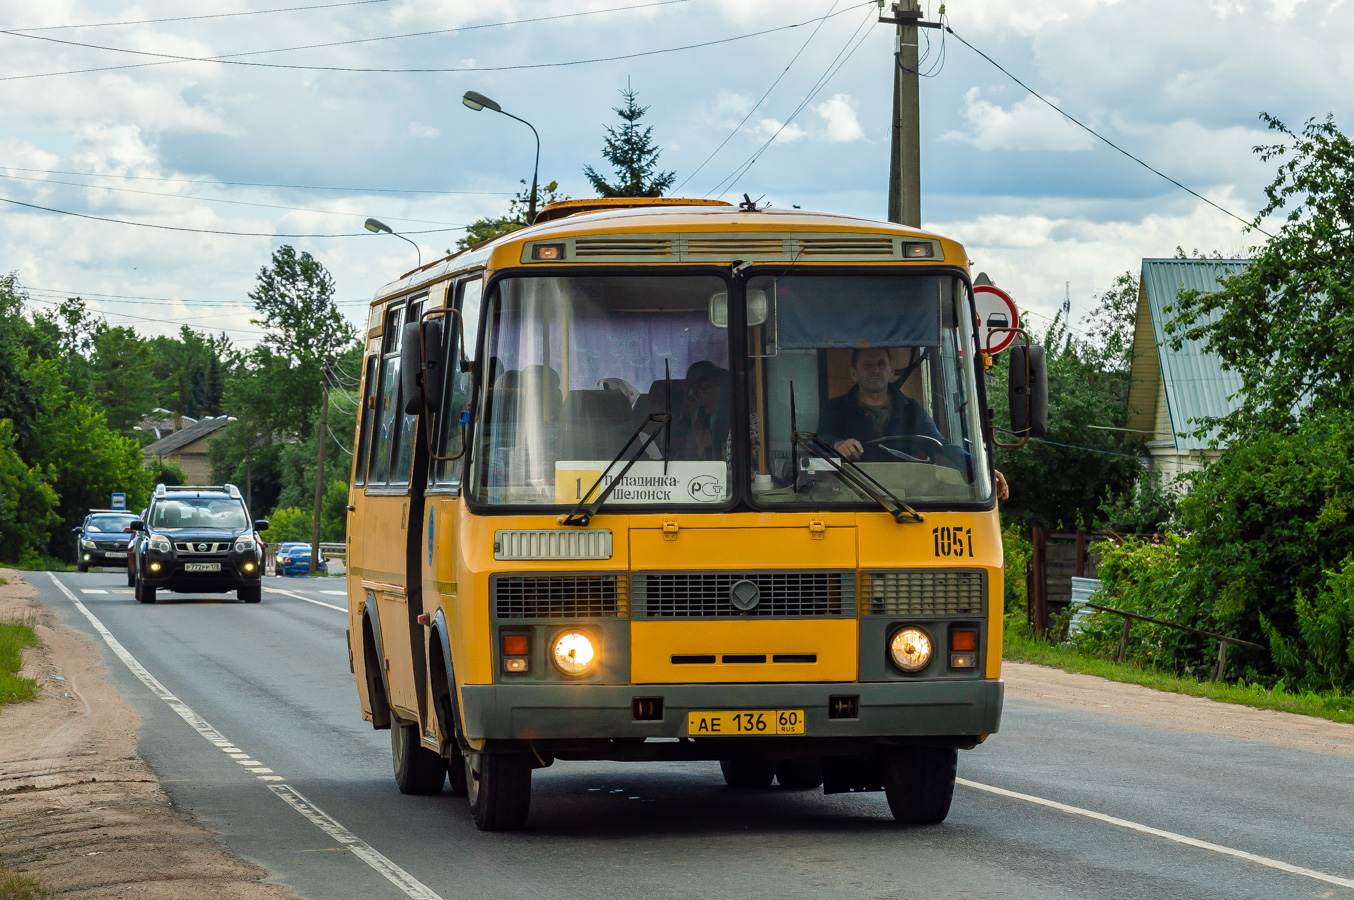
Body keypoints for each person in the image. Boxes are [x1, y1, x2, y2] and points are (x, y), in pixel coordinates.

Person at [818, 346, 1009, 500]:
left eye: (881, 363)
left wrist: (981, 469)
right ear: (854, 373)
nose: (875, 369)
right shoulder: (836, 409)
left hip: (905, 502)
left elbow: (942, 447)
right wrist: (838, 444)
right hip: (849, 500)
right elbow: (818, 441)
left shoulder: (911, 410)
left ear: (891, 370)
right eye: (867, 364)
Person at [673, 360, 727, 460]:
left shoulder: (728, 422)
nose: (700, 395)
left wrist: (706, 447)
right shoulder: (695, 420)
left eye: (705, 389)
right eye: (690, 384)